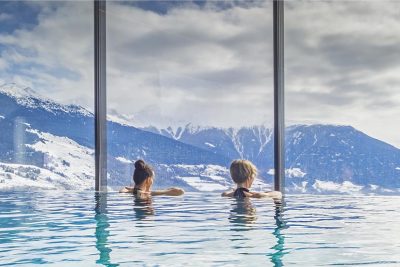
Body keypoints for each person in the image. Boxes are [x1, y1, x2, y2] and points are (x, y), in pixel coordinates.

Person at [119, 159, 184, 198]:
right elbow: (181, 192)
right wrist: (163, 192)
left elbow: (124, 189)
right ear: (148, 180)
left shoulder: (129, 191)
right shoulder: (148, 194)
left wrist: (133, 189)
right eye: (153, 178)